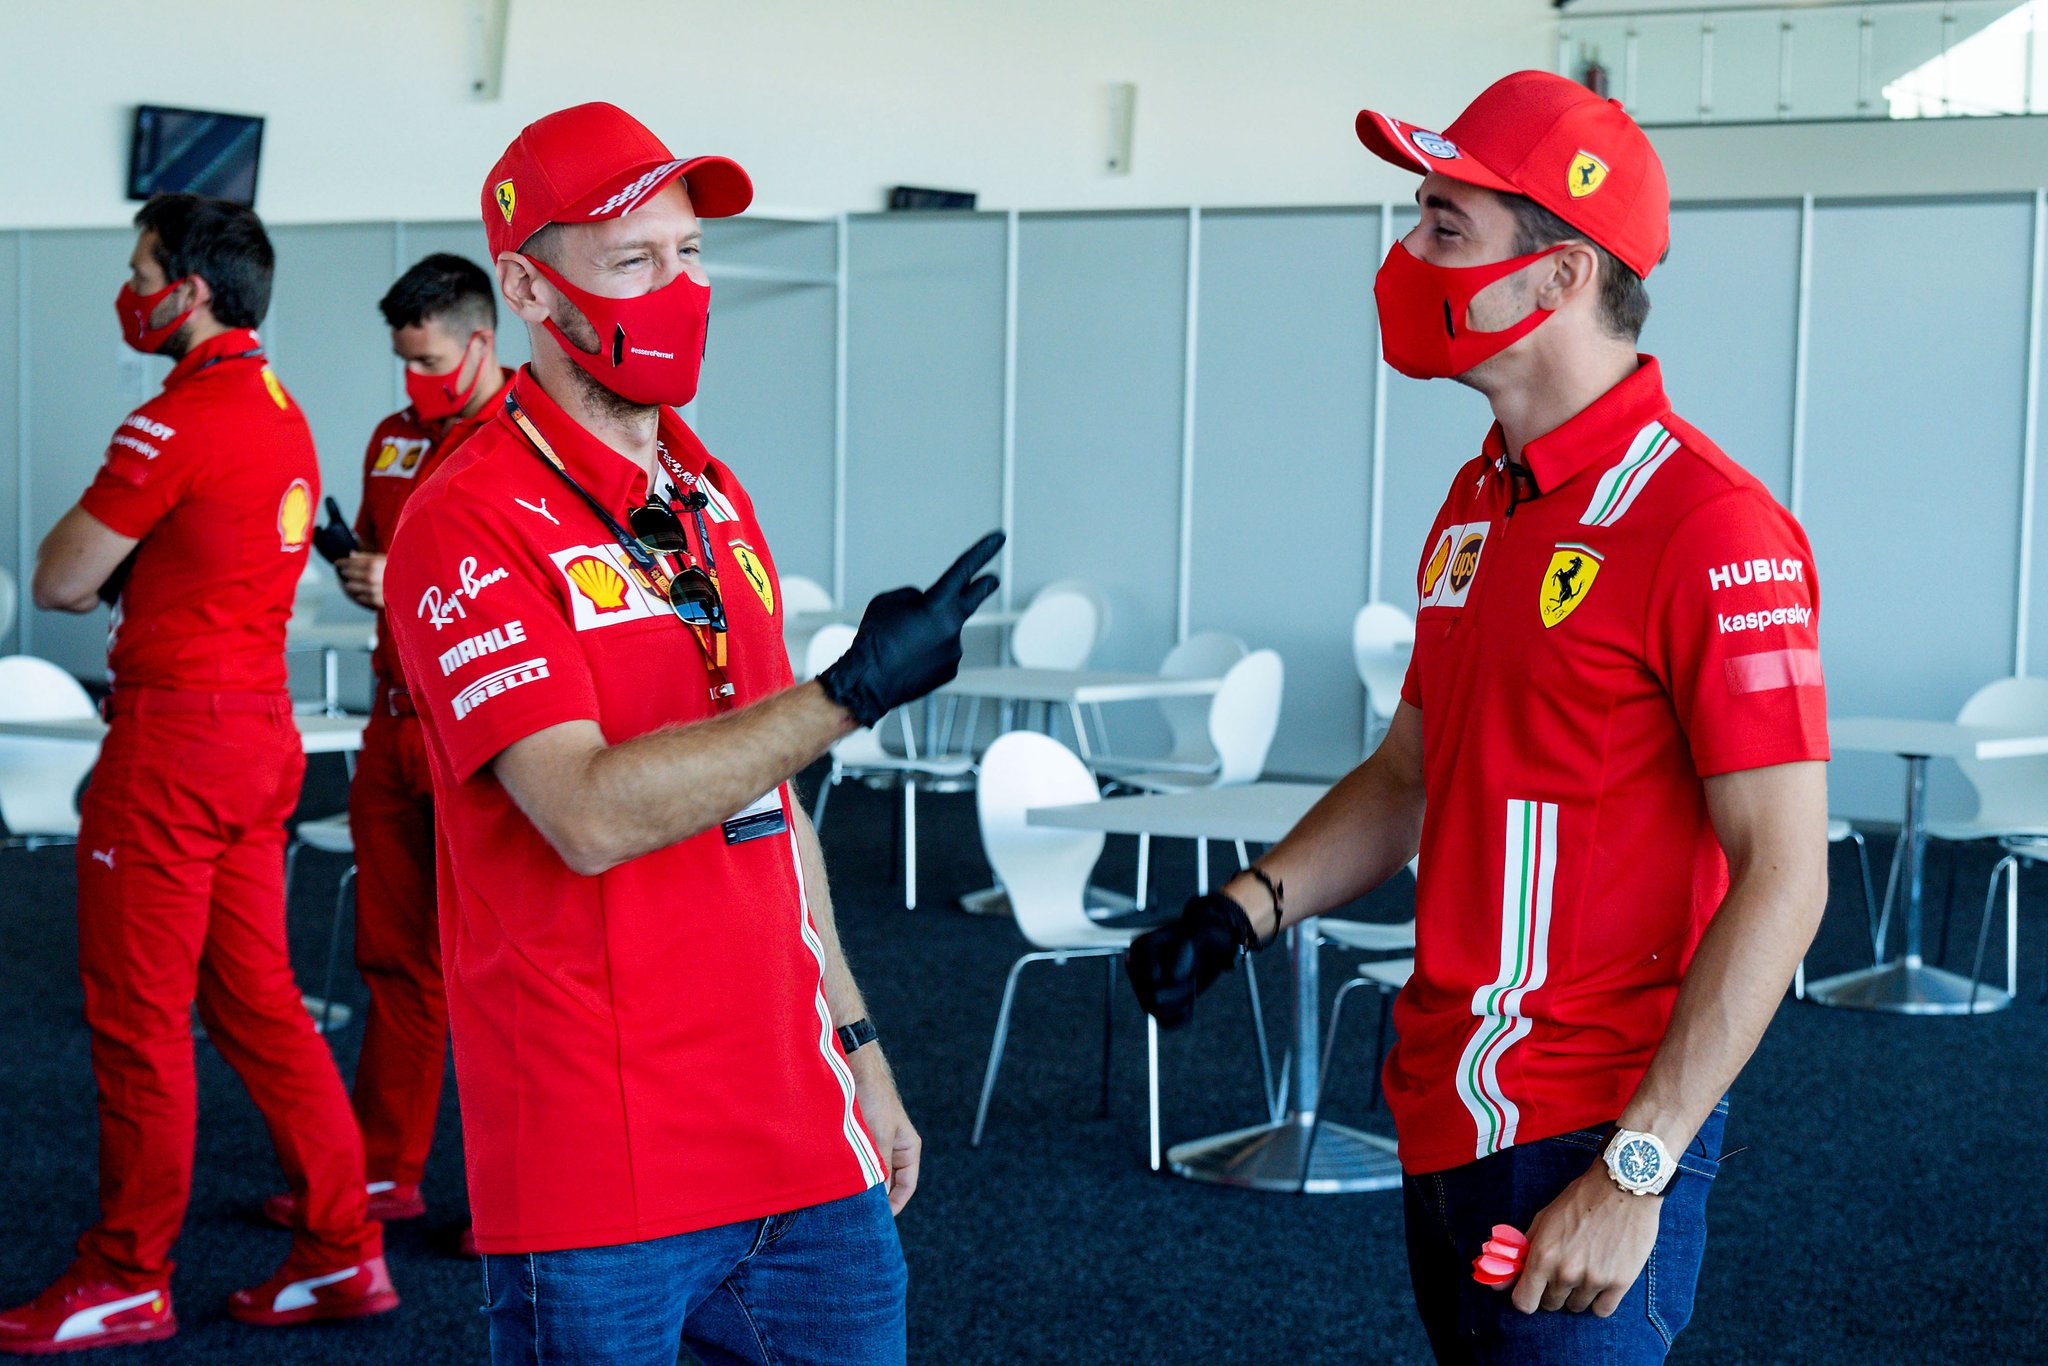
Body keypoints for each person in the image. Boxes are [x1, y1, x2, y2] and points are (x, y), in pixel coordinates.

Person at [1126, 72, 1830, 1365]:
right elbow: (1412, 771)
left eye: (1444, 225)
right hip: (1448, 1102)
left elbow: (1788, 876)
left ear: (1558, 276)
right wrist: (1241, 908)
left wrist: (1636, 1169)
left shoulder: (1711, 526)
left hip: (1597, 1124)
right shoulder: (1477, 496)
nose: (1407, 255)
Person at [381, 102, 1000, 1366]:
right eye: (633, 261)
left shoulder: (708, 492)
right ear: (525, 287)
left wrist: (860, 1047)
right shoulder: (466, 518)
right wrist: (844, 696)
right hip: (601, 1166)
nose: (679, 288)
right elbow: (587, 812)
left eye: (692, 253)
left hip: (798, 1138)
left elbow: (774, 805)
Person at [3, 193, 396, 1355]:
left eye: (140, 270)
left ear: (192, 289)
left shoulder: (177, 420)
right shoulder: (283, 411)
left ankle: (127, 1272)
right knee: (259, 1004)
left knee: (138, 1021)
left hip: (172, 748)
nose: (129, 292)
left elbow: (62, 580)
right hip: (254, 738)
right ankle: (342, 1248)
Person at [260, 255, 511, 1248]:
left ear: (482, 341)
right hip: (392, 726)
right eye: (402, 359)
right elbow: (376, 550)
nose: (413, 377)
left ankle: (522, 1196)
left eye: (429, 357)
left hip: (488, 738)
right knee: (395, 960)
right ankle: (382, 1173)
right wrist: (358, 566)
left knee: (504, 967)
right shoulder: (392, 441)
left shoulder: (535, 442)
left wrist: (400, 576)